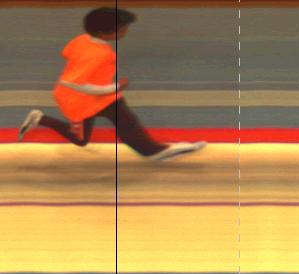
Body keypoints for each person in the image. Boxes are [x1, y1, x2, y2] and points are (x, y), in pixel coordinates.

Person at [17, 7, 205, 161]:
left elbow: (67, 53)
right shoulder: (98, 55)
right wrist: (114, 87)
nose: (126, 31)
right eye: (122, 29)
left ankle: (152, 151)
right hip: (80, 99)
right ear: (103, 33)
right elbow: (73, 83)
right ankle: (40, 118)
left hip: (97, 96)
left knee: (126, 121)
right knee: (81, 140)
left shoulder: (82, 39)